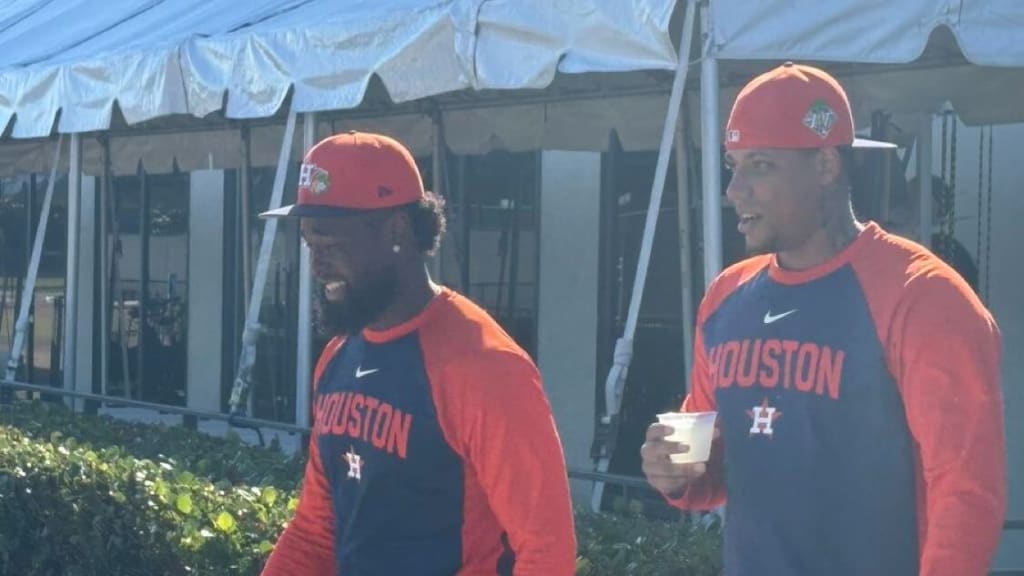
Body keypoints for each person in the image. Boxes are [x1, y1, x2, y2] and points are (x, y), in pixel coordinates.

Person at [640, 62, 1006, 576]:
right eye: (733, 165)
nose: (733, 190)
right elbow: (716, 465)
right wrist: (675, 474)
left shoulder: (924, 296)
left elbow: (968, 491)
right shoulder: (727, 296)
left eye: (760, 166)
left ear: (826, 166)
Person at [259, 131, 576, 575]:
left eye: (330, 245)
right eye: (311, 245)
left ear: (397, 230)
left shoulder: (486, 365)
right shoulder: (337, 357)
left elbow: (547, 552)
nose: (317, 267)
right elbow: (317, 531)